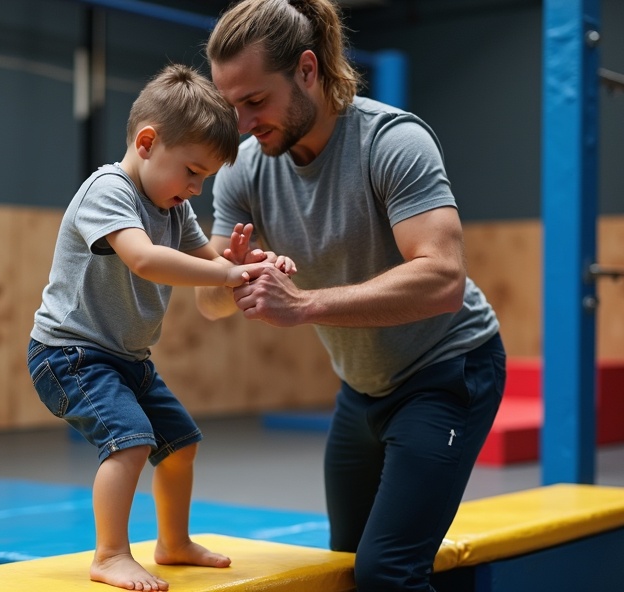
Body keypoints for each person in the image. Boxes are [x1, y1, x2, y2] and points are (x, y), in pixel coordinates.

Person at [196, 1, 506, 590]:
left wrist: (306, 304)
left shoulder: (393, 141)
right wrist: (226, 276)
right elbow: (207, 303)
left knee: (387, 571)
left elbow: (443, 280)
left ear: (308, 70)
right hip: (362, 388)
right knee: (343, 568)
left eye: (255, 101)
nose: (240, 123)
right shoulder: (246, 169)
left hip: (448, 372)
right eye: (230, 105)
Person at [27, 63, 294, 591]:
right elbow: (146, 261)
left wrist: (251, 263)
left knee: (179, 443)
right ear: (147, 142)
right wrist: (225, 269)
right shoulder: (108, 191)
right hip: (69, 354)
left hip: (127, 358)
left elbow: (209, 267)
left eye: (205, 179)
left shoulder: (173, 208)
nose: (195, 188)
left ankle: (172, 543)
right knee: (128, 442)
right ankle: (109, 554)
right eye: (192, 171)